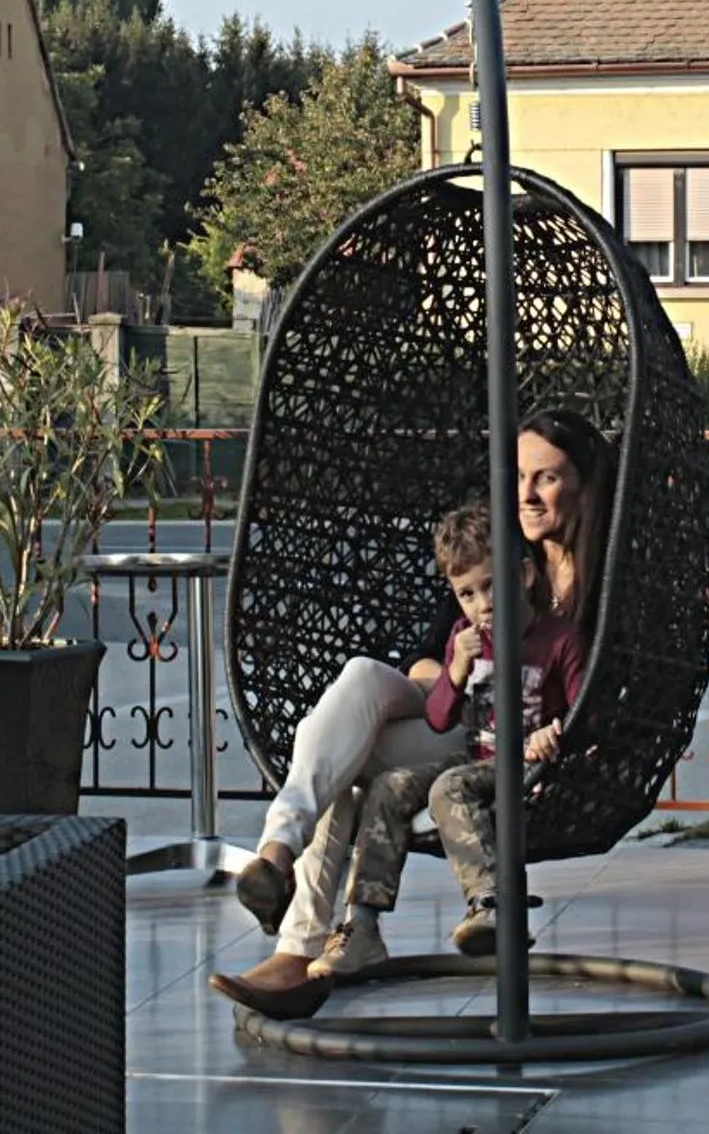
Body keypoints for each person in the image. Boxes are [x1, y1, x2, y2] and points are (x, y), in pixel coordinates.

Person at [209, 408, 614, 1018]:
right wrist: (453, 666)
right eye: (521, 476)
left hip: (506, 738)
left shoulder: (601, 576)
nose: (526, 495)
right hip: (452, 704)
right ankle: (277, 856)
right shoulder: (491, 542)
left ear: (583, 483)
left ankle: (299, 949)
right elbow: (425, 655)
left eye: (547, 479)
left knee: (339, 762)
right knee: (362, 678)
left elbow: (596, 688)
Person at [310, 500, 585, 979]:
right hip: (476, 757)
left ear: (522, 575)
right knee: (389, 785)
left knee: (448, 788)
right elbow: (439, 719)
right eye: (467, 594)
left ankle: (491, 903)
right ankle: (364, 927)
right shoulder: (465, 636)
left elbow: (585, 715)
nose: (482, 605)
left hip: (530, 767)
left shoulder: (558, 641)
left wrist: (552, 737)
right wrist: (455, 669)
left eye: (491, 586)